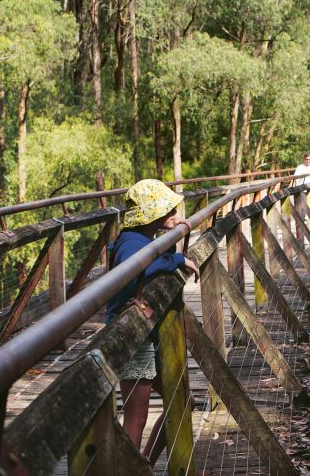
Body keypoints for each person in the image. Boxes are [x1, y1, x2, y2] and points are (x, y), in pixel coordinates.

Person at [106, 179, 199, 458]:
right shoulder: (131, 243)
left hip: (146, 333)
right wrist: (178, 260)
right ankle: (131, 468)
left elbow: (154, 257)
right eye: (167, 210)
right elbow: (136, 269)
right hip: (130, 335)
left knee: (183, 401)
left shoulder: (142, 239)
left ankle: (143, 463)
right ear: (151, 215)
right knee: (136, 417)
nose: (174, 213)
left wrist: (175, 241)